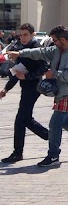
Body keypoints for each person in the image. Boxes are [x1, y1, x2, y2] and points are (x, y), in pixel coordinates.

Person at [5, 25, 68, 167]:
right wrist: (20, 54)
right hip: (66, 91)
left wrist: (54, 74)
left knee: (55, 123)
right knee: (66, 122)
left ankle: (53, 155)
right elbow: (41, 52)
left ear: (62, 39)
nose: (53, 43)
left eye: (55, 40)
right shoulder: (59, 50)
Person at [0, 23, 49, 164]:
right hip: (26, 87)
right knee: (25, 119)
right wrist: (6, 89)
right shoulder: (21, 48)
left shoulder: (36, 48)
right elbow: (17, 71)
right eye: (20, 35)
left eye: (25, 35)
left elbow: (43, 69)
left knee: (21, 120)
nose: (22, 38)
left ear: (33, 34)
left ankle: (18, 153)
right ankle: (51, 137)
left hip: (34, 87)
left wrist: (27, 77)